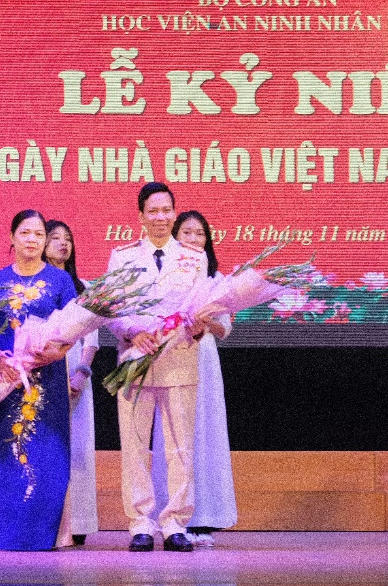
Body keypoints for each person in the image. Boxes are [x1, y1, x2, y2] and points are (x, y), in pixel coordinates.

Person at [0, 210, 79, 552]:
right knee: (4, 450)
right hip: (6, 379)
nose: (32, 239)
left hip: (48, 380)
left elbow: (73, 328)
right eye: (25, 233)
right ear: (12, 238)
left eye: (39, 234)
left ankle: (42, 534)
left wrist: (53, 354)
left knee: (46, 453)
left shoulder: (60, 280)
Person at [105, 182, 211, 553]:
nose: (161, 217)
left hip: (179, 360)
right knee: (134, 446)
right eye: (153, 211)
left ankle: (175, 523)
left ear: (174, 213)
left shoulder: (194, 257)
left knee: (180, 447)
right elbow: (110, 309)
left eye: (167, 210)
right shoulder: (122, 256)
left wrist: (198, 327)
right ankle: (140, 524)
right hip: (135, 360)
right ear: (141, 216)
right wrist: (132, 332)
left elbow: (202, 308)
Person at [150, 211, 235, 548]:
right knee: (172, 433)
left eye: (200, 233)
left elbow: (224, 329)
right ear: (175, 236)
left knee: (203, 432)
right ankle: (169, 516)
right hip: (170, 356)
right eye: (186, 232)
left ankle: (205, 516)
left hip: (203, 358)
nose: (193, 239)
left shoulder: (217, 279)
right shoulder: (164, 274)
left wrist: (204, 319)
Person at [43, 220, 100, 547]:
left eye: (68, 239)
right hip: (42, 368)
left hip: (76, 371)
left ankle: (78, 522)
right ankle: (47, 521)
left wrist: (81, 373)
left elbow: (91, 338)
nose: (63, 244)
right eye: (55, 238)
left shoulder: (84, 287)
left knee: (77, 447)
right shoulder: (37, 286)